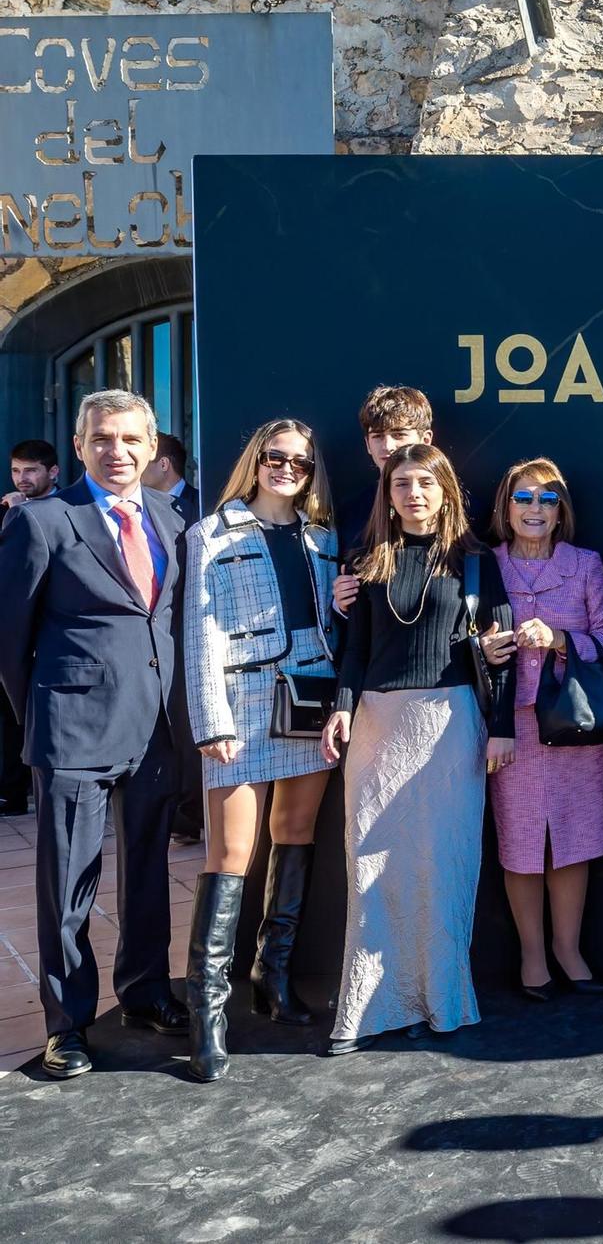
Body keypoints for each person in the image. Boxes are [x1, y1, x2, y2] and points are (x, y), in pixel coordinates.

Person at [0, 391, 189, 1078]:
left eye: (132, 439)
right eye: (103, 439)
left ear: (151, 446)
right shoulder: (43, 521)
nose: (118, 451)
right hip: (72, 731)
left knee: (148, 870)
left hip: (156, 727)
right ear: (78, 446)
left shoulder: (170, 515)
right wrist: (44, 721)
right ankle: (68, 1023)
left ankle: (143, 991)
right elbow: (10, 640)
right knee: (68, 884)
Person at [319, 443, 514, 1054]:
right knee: (369, 868)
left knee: (443, 867)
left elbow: (503, 656)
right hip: (377, 724)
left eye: (425, 482)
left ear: (445, 490)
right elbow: (354, 650)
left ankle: (442, 1002)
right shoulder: (364, 561)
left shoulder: (476, 562)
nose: (414, 494)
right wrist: (343, 708)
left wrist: (503, 727)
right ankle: (368, 1009)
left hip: (449, 726)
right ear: (388, 493)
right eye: (402, 483)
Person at [180, 419, 343, 1080]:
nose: (285, 468)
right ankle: (207, 1014)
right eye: (275, 457)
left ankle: (271, 977)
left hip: (309, 692)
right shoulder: (211, 532)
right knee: (230, 853)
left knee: (296, 831)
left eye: (298, 462)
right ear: (255, 459)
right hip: (242, 703)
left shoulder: (323, 537)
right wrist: (208, 719)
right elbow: (200, 634)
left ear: (310, 471)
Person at [483, 459, 603, 1001]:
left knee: (573, 840)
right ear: (506, 507)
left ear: (561, 510)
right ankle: (533, 957)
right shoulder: (484, 565)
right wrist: (485, 648)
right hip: (509, 726)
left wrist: (562, 639)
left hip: (572, 724)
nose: (534, 509)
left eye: (547, 499)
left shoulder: (586, 565)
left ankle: (569, 949)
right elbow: (459, 637)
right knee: (520, 842)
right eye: (523, 498)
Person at [142, 432, 203, 845]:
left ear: (164, 464)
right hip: (156, 642)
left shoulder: (204, 503)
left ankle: (190, 812)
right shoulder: (135, 509)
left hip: (195, 635)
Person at [0, 438, 58, 816]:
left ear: (52, 472)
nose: (22, 479)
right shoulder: (7, 511)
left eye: (31, 470)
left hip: (46, 637)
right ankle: (11, 791)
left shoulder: (65, 509)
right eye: (17, 471)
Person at [335, 385, 434, 559]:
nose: (387, 446)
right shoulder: (351, 513)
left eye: (398, 434)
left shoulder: (463, 510)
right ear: (367, 444)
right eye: (378, 436)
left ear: (425, 440)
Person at [142, 432, 198, 526]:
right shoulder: (137, 507)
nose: (137, 469)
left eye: (143, 463)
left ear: (164, 464)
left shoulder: (201, 505)